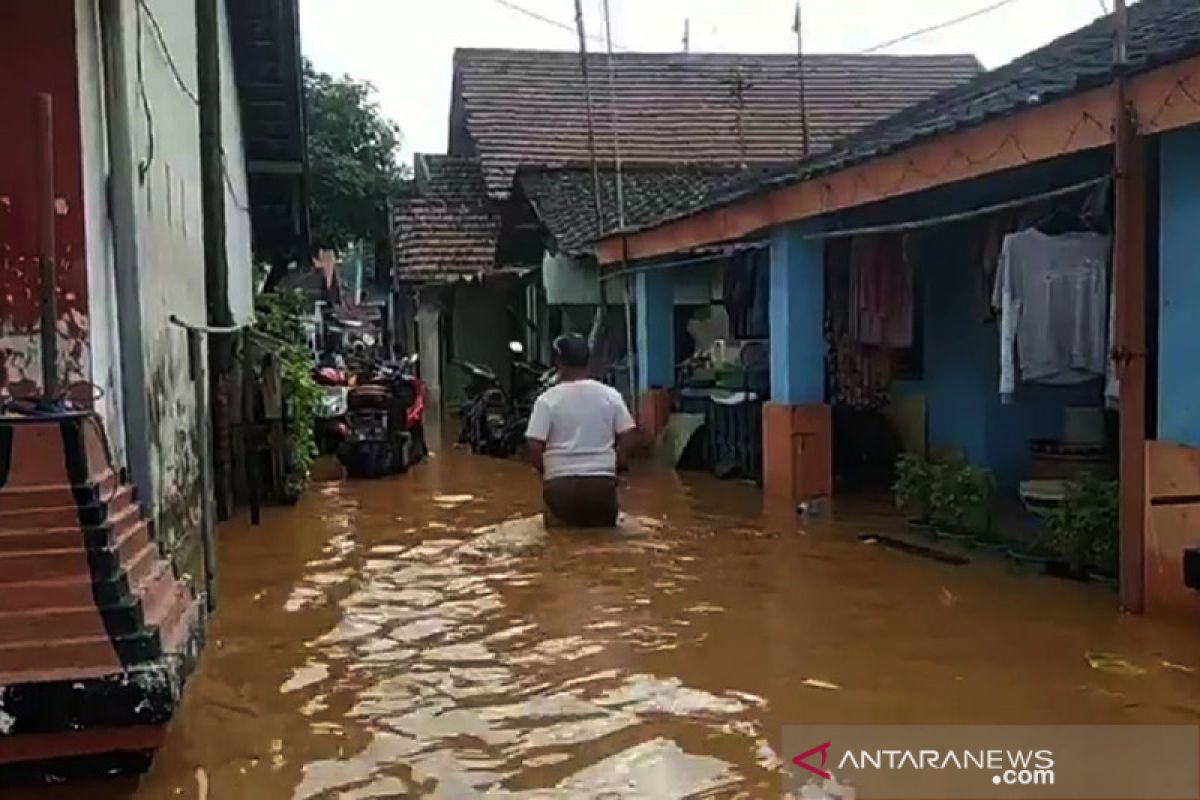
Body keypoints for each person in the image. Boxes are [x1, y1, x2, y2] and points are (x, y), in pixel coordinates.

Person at [525, 334, 638, 528]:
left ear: (558, 361)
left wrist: (549, 471)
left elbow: (534, 446)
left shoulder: (547, 400)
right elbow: (629, 436)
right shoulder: (611, 396)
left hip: (560, 486)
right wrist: (617, 464)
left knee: (559, 544)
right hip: (601, 484)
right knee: (606, 544)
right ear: (588, 359)